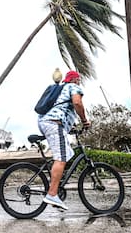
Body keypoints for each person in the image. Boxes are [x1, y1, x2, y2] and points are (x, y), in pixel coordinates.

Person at [38, 70, 91, 210]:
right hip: (53, 123)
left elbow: (64, 109)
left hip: (49, 122)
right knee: (61, 158)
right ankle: (52, 194)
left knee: (65, 154)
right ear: (75, 79)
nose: (79, 82)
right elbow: (77, 103)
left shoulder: (61, 90)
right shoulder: (73, 87)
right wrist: (85, 121)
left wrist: (71, 128)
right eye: (78, 80)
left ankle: (55, 186)